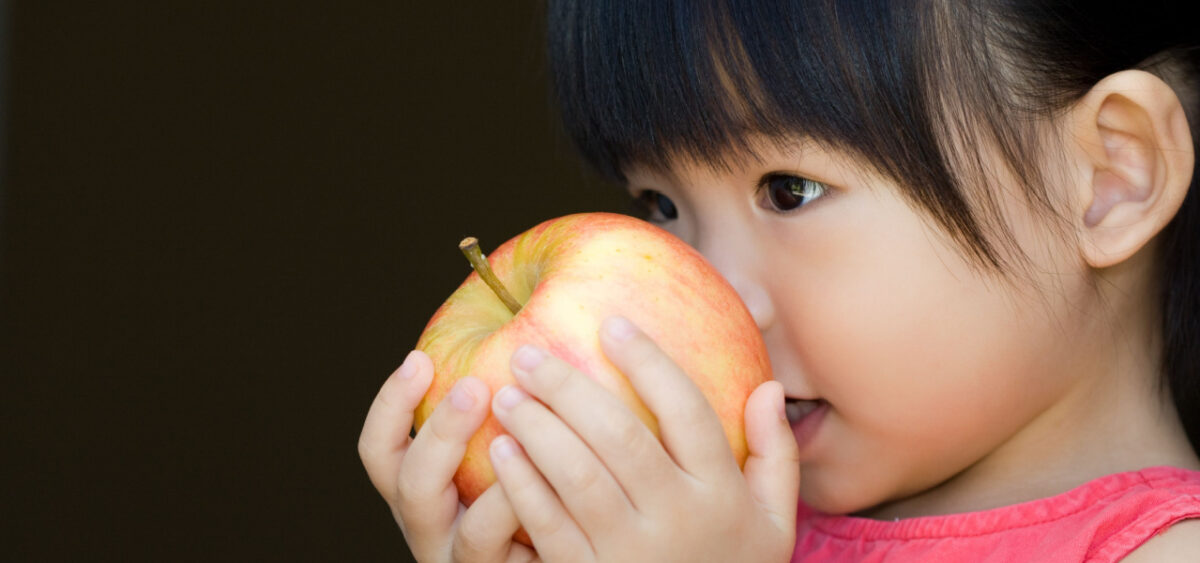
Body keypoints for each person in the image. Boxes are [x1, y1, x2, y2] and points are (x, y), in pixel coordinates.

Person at [359, 1, 1200, 560]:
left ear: (1107, 179)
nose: (717, 291)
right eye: (659, 202)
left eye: (789, 190)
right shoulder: (688, 517)